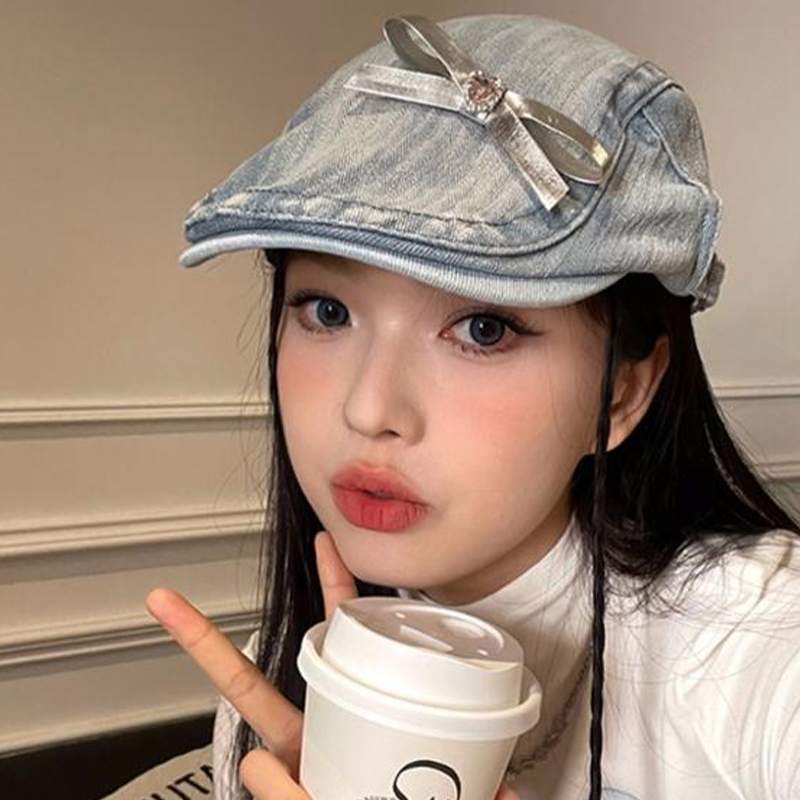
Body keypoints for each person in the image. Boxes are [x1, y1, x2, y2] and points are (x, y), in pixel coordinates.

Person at [145, 13, 800, 800]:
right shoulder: (290, 679)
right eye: (327, 312)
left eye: (483, 329)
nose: (369, 410)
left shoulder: (761, 646)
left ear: (621, 392)